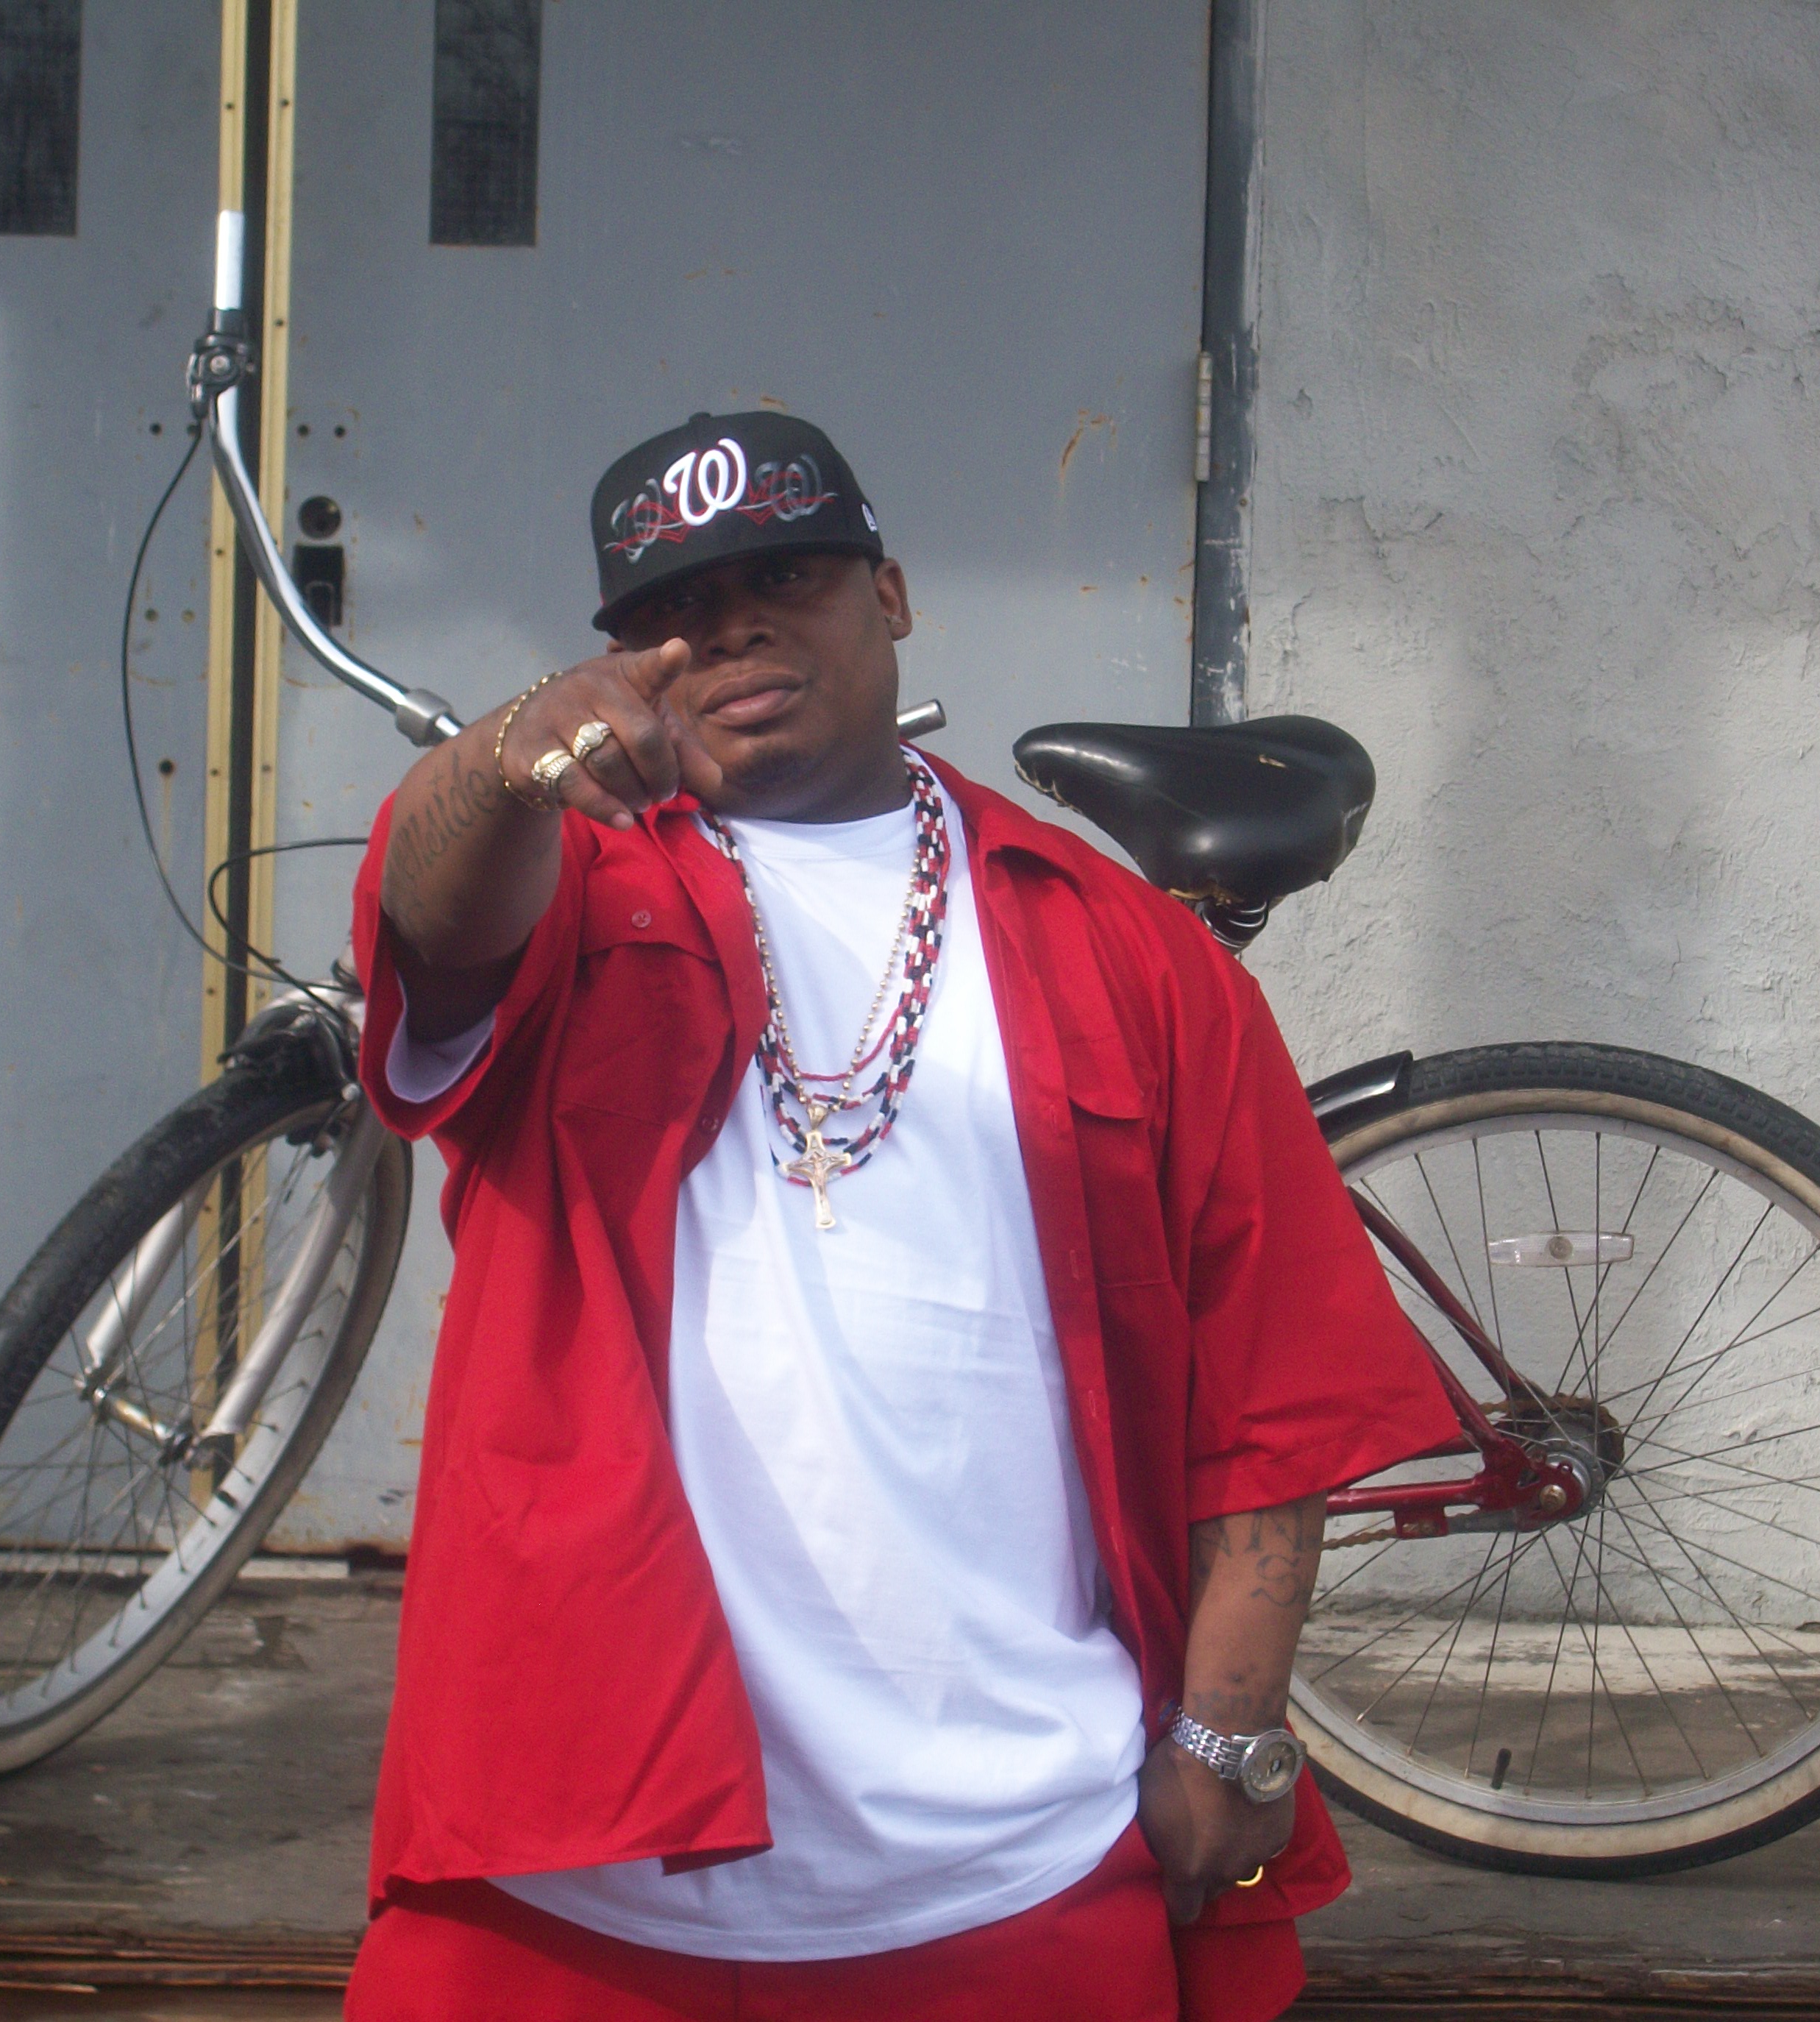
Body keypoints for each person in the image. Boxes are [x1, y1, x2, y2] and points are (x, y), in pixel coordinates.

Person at [338, 411, 1459, 2021]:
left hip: (1015, 1863)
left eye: (784, 579)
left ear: (893, 594)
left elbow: (1268, 1386)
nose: (728, 631)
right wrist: (509, 754)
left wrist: (1228, 1729)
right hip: (571, 1866)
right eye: (669, 611)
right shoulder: (571, 887)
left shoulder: (1127, 949)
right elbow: (430, 906)